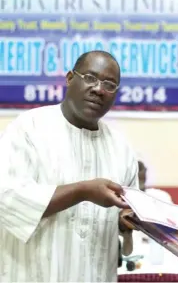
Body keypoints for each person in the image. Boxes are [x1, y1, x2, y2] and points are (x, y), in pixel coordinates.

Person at [0, 51, 139, 282]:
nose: (98, 89)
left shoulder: (121, 148)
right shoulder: (29, 128)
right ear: (69, 78)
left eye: (109, 84)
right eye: (90, 78)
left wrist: (125, 220)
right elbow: (7, 198)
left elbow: (127, 210)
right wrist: (82, 191)